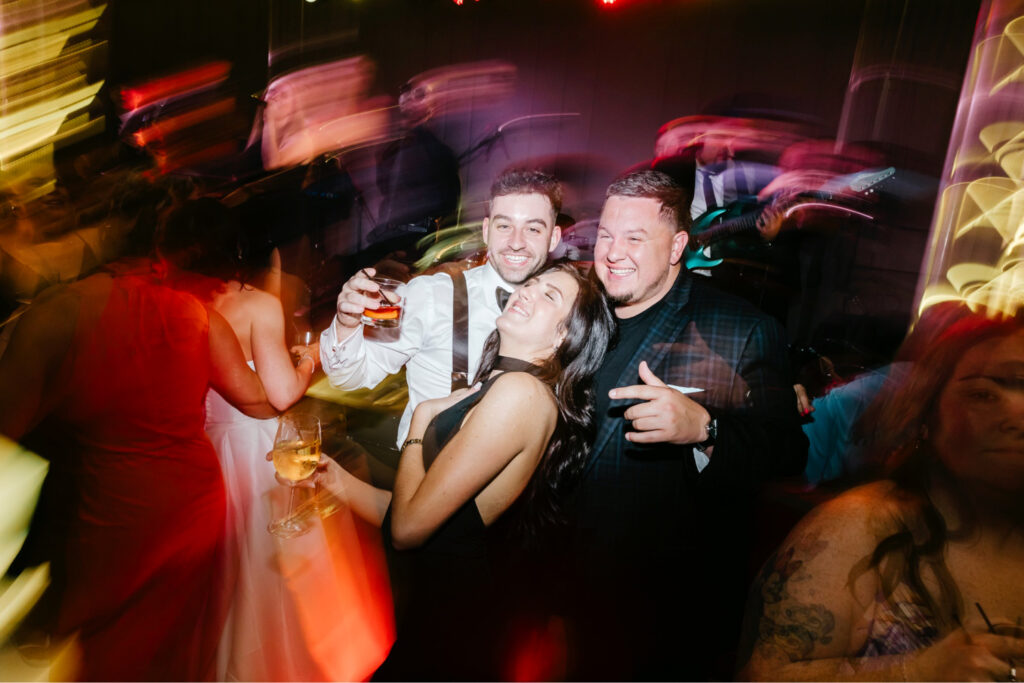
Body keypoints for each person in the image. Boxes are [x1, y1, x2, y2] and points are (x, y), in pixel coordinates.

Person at [563, 169, 808, 680]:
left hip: (659, 612)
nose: (613, 252)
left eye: (635, 237)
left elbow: (786, 451)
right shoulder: (572, 311)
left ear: (677, 246)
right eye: (606, 235)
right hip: (557, 588)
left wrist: (706, 429)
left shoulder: (741, 329)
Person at [317, 262, 615, 679]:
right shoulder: (500, 384)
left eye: (550, 295)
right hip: (437, 616)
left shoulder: (522, 392)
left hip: (454, 629)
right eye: (532, 283)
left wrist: (421, 420)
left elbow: (407, 530)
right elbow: (424, 513)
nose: (528, 290)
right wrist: (332, 480)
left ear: (565, 336)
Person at [0, 255, 274, 681]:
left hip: (114, 506)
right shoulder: (199, 315)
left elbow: (8, 422)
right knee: (180, 641)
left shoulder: (59, 313)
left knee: (115, 645)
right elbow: (257, 398)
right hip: (190, 502)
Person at [157, 199, 392, 681]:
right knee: (279, 571)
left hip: (202, 450)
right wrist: (309, 358)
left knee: (225, 574)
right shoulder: (255, 305)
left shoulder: (175, 308)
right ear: (236, 248)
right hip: (255, 450)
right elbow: (283, 394)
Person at [738, 305, 1024, 681]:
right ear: (926, 417)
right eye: (983, 395)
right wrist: (916, 673)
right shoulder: (860, 528)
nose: (1018, 417)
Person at [320, 168, 564, 448]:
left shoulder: (566, 310)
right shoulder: (432, 295)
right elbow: (349, 378)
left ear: (553, 238)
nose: (516, 242)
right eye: (504, 226)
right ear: (486, 230)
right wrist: (346, 324)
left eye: (533, 228)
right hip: (425, 474)